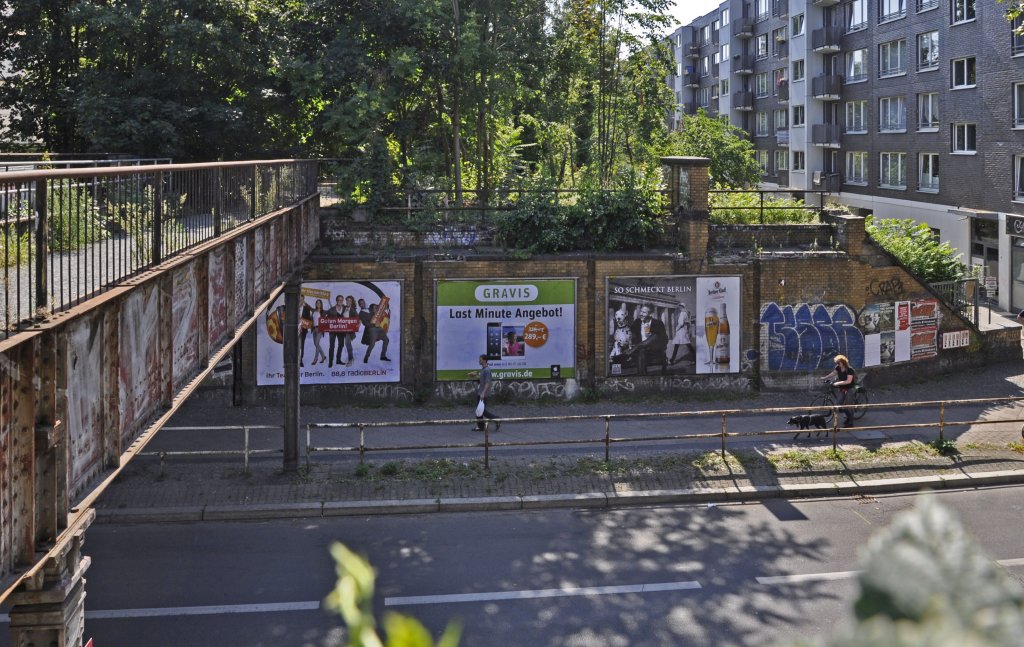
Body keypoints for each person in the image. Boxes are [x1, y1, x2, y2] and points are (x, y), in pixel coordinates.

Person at [628, 303, 669, 375]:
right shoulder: (637, 322)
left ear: (650, 314)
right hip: (640, 350)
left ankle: (642, 377)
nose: (641, 314)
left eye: (644, 312)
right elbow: (629, 332)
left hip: (654, 350)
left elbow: (664, 339)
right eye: (641, 311)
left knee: (655, 336)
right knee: (641, 351)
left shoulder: (658, 323)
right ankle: (642, 377)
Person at [468, 354, 500, 432]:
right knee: (480, 410)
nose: (479, 361)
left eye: (480, 359)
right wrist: (475, 377)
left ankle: (495, 419)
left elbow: (487, 383)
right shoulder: (483, 369)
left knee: (480, 411)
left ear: (485, 360)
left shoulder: (487, 370)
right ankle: (483, 425)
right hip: (481, 392)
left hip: (483, 393)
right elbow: (482, 380)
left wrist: (483, 393)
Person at [823, 354, 857, 426]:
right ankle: (848, 417)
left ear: (843, 362)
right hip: (842, 388)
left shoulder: (850, 370)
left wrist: (837, 383)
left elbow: (848, 381)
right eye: (837, 363)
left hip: (849, 388)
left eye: (839, 362)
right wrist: (825, 378)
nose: (837, 364)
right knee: (839, 404)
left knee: (848, 405)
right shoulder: (838, 368)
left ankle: (851, 422)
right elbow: (833, 373)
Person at [310, 299, 328, 366]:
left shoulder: (323, 312)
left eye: (319, 303)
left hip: (319, 329)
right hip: (314, 328)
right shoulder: (314, 311)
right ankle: (323, 356)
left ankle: (315, 359)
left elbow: (330, 312)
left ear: (321, 304)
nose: (318, 304)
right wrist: (304, 303)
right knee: (315, 344)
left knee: (317, 343)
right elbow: (309, 307)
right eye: (317, 303)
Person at [299, 299, 313, 367]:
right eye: (299, 299)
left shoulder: (307, 310)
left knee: (301, 346)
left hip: (303, 330)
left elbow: (309, 320)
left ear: (303, 300)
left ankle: (300, 360)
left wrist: (305, 323)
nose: (300, 301)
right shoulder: (293, 308)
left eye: (301, 299)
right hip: (293, 331)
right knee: (293, 346)